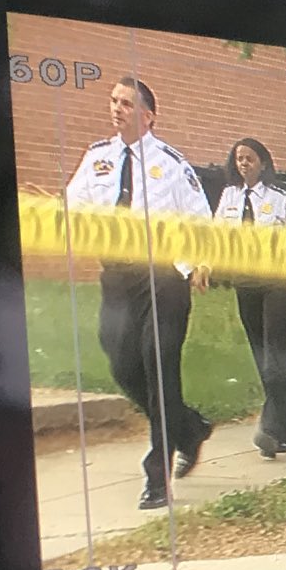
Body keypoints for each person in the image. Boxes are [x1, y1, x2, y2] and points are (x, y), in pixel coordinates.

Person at [64, 75, 214, 510]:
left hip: (163, 278)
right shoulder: (97, 157)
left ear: (148, 116)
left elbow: (200, 218)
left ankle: (156, 478)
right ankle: (188, 428)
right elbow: (73, 206)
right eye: (114, 101)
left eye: (127, 104)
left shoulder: (171, 163)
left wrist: (200, 262)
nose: (117, 109)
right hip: (117, 277)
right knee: (121, 362)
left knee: (158, 366)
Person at [213, 137, 286, 458]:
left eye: (250, 158)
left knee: (275, 365)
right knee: (265, 363)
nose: (244, 163)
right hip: (247, 286)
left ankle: (269, 429)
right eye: (239, 159)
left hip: (280, 285)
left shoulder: (281, 199)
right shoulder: (229, 197)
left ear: (263, 163)